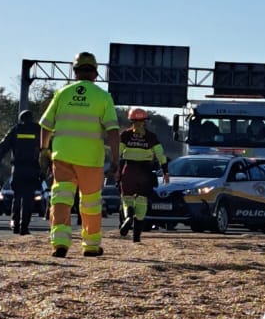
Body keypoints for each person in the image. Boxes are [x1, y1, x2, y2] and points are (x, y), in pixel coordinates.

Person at [40, 52, 120, 258]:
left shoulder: (62, 94)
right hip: (90, 160)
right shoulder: (103, 97)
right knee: (91, 203)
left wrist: (44, 150)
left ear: (75, 73)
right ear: (95, 73)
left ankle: (59, 243)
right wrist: (116, 159)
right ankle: (91, 246)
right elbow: (112, 130)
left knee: (61, 199)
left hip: (63, 156)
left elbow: (46, 125)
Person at [117, 107, 169, 244]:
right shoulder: (151, 137)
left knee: (126, 198)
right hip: (145, 172)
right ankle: (136, 236)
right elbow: (161, 156)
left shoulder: (125, 135)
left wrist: (115, 169)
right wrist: (165, 172)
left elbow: (117, 153)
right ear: (145, 121)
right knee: (141, 202)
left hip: (128, 170)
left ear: (131, 120)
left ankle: (128, 217)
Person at [0, 111, 45, 235]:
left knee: (17, 197)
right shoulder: (39, 130)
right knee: (28, 199)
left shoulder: (15, 130)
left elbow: (2, 147)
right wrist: (49, 167)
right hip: (32, 170)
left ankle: (15, 224)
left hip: (18, 170)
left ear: (20, 118)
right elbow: (47, 149)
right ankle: (24, 227)